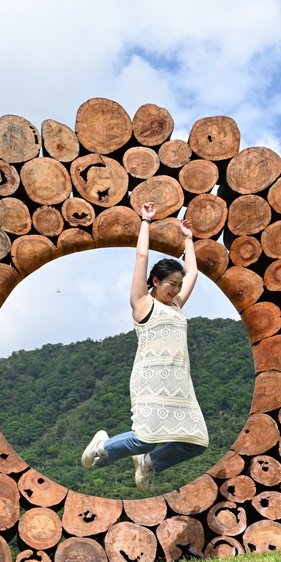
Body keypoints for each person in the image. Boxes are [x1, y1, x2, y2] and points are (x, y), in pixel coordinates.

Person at [80, 201, 209, 491]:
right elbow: (141, 256)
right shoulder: (143, 303)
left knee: (197, 442)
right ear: (155, 281)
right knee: (145, 437)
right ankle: (103, 447)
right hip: (150, 380)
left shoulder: (176, 305)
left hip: (180, 383)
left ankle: (148, 462)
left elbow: (194, 274)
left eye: (178, 284)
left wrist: (188, 239)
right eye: (170, 284)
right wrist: (146, 221)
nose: (176, 289)